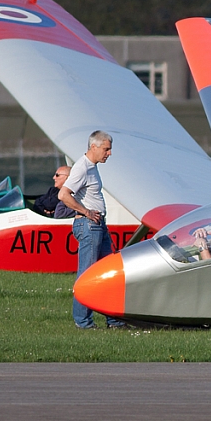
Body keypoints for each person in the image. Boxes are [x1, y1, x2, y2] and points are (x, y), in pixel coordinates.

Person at [58, 130, 125, 328]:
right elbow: (63, 195)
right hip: (89, 226)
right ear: (93, 147)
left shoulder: (92, 167)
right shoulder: (81, 167)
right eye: (106, 149)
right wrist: (86, 212)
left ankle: (114, 321)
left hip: (98, 225)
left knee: (109, 274)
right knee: (88, 275)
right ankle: (83, 322)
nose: (109, 153)